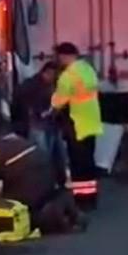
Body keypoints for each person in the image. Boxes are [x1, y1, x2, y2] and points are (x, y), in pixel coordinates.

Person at [0, 110, 85, 234]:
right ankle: (66, 210)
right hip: (47, 182)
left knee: (13, 203)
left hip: (24, 195)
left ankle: (45, 217)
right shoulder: (18, 138)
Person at [50, 42, 104, 211]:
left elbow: (58, 102)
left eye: (59, 56)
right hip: (91, 122)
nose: (58, 60)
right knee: (88, 163)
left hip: (76, 124)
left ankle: (81, 200)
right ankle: (91, 198)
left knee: (78, 165)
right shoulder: (88, 69)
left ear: (65, 56)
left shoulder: (68, 76)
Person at [12, 62, 68, 186]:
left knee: (54, 156)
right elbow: (21, 103)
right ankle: (44, 183)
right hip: (39, 125)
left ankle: (55, 182)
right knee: (43, 156)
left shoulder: (47, 84)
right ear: (47, 72)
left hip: (50, 125)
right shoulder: (31, 85)